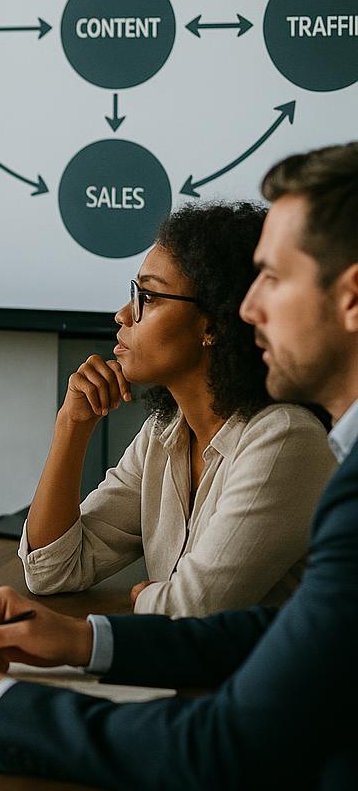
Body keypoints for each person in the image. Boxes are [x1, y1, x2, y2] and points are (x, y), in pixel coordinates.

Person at [0, 141, 358, 788]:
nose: (251, 309)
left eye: (274, 281)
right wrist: (83, 636)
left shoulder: (302, 447)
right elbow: (282, 624)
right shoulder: (167, 432)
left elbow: (223, 727)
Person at [20, 201, 334, 617]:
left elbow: (191, 611)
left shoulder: (284, 439)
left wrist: (146, 596)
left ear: (213, 324)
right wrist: (71, 425)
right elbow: (51, 570)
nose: (123, 314)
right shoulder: (163, 432)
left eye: (147, 296)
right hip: (185, 675)